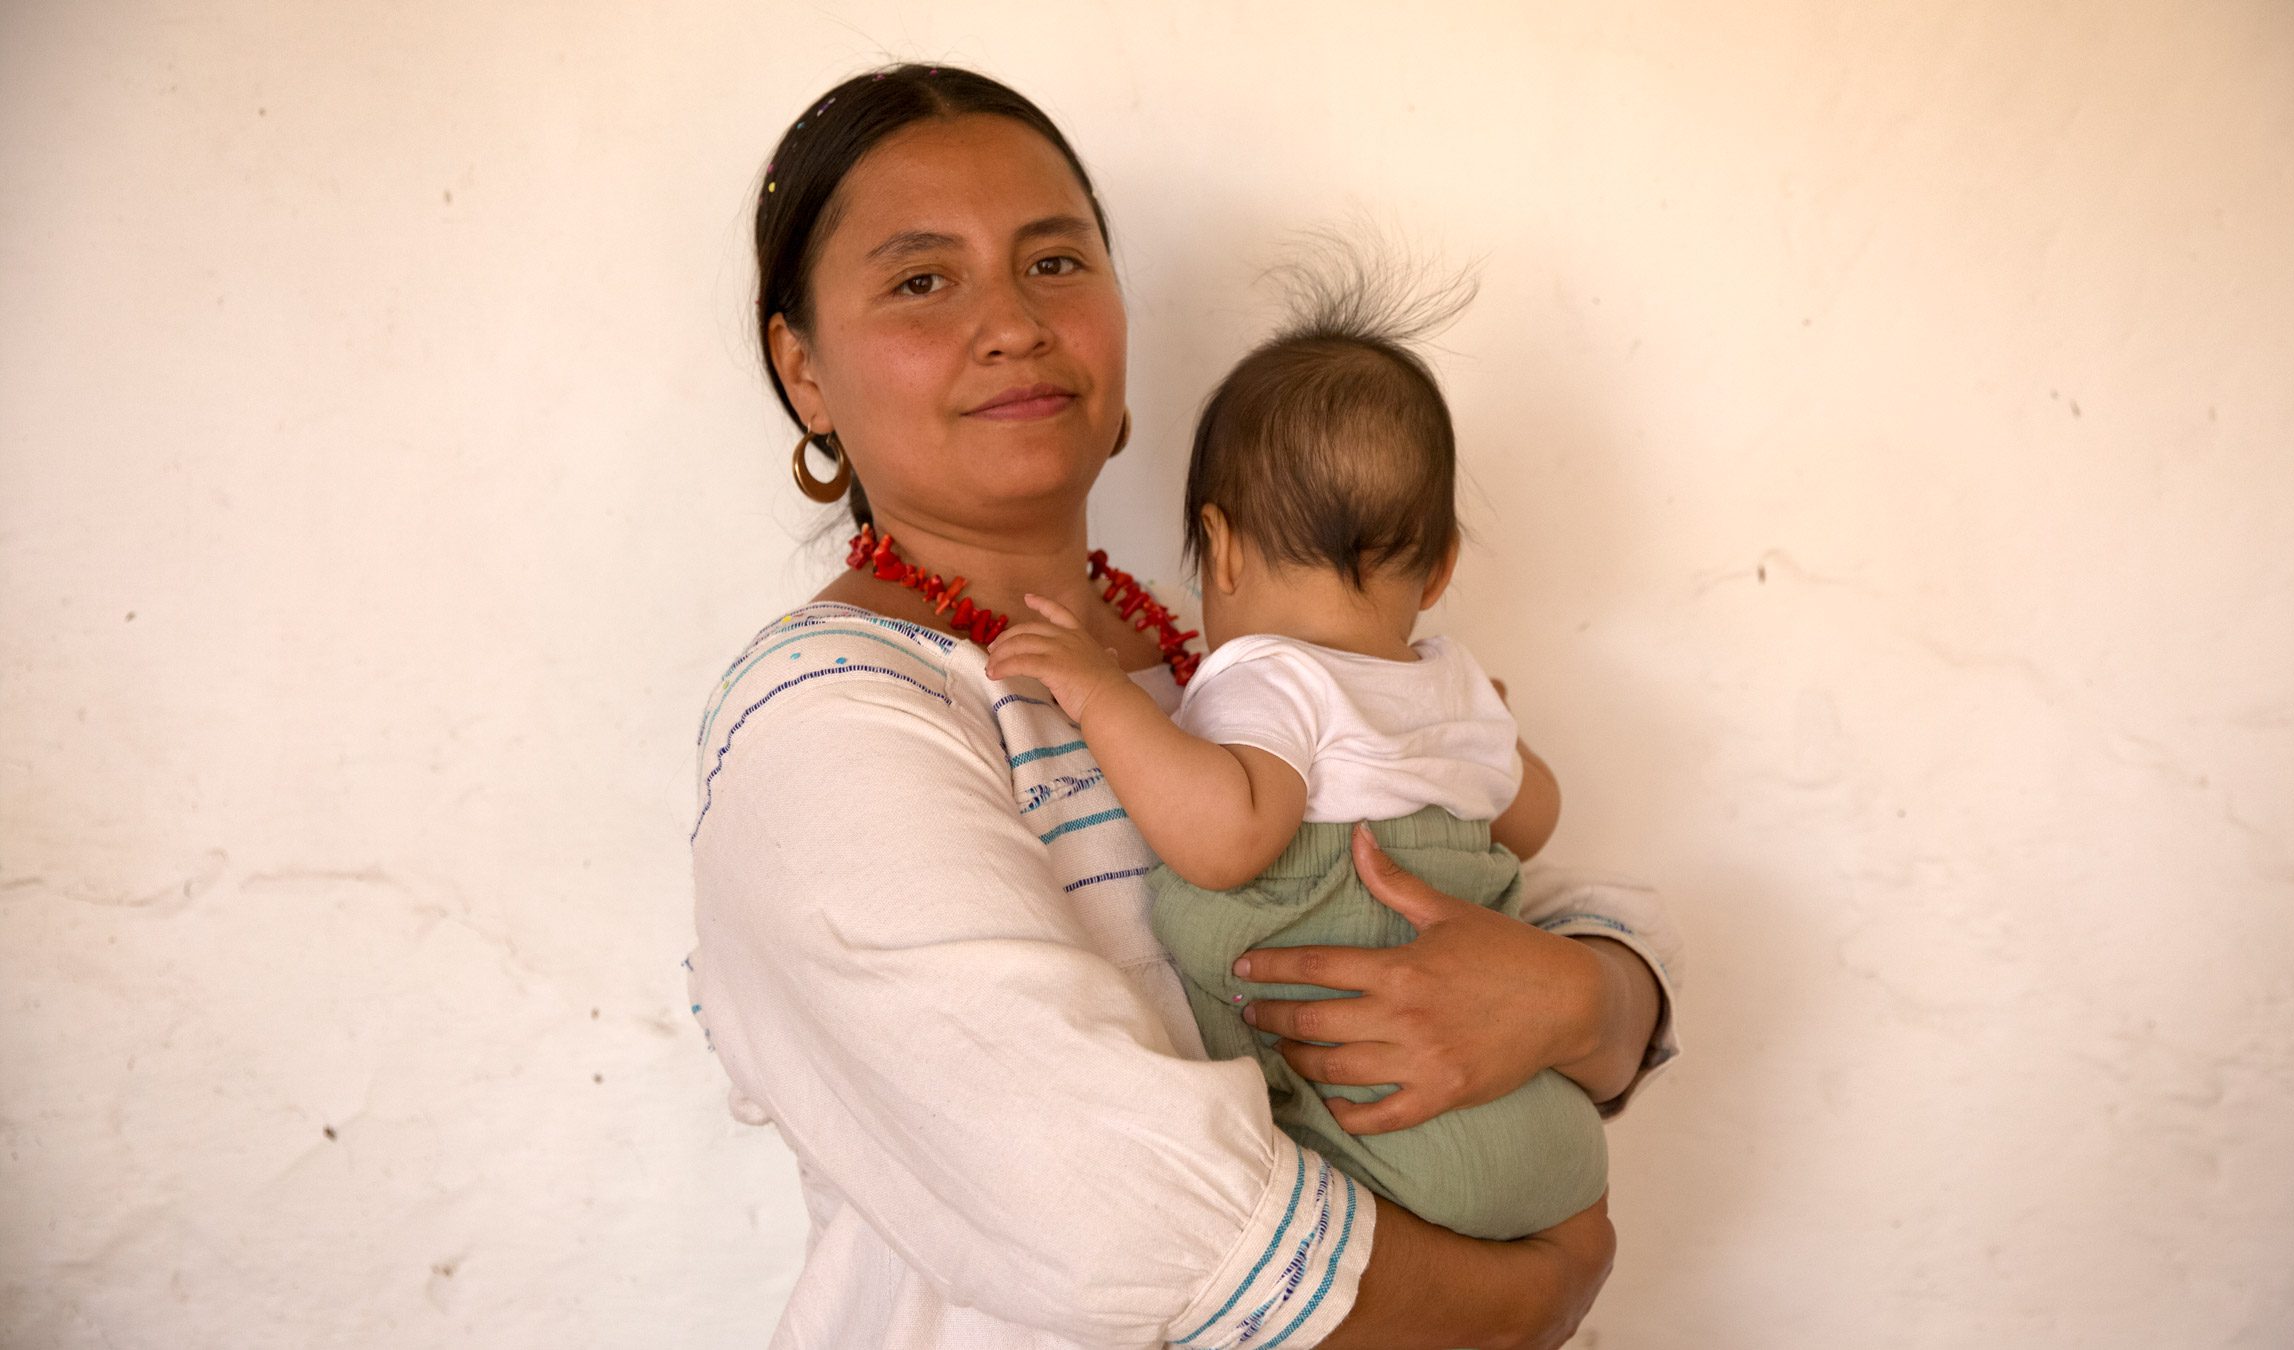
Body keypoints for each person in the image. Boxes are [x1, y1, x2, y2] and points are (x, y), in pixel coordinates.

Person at [686, 62, 1682, 1350]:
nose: (1014, 323)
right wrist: (1526, 1297)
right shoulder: (826, 727)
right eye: (922, 280)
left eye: (1055, 264)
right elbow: (1112, 1206)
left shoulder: (1234, 653)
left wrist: (1575, 1002)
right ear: (803, 370)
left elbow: (1525, 883)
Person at [982, 255, 1609, 1241]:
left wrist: (1102, 694)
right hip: (1541, 1139)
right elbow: (1531, 819)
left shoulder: (1270, 674)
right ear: (1441, 567)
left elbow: (1228, 838)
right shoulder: (1454, 681)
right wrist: (1477, 731)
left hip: (1361, 1104)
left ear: (1218, 545)